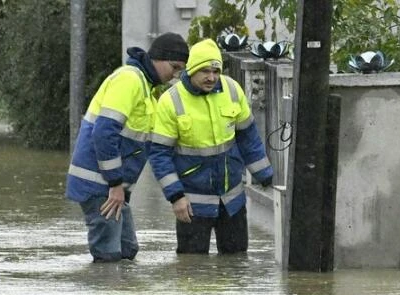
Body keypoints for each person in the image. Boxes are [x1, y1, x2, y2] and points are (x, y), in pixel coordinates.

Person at [66, 33, 189, 262]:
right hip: (101, 186)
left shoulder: (146, 89)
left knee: (127, 251)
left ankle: (120, 293)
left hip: (112, 188)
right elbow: (103, 132)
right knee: (109, 257)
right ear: (158, 58)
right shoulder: (129, 80)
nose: (175, 75)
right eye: (174, 67)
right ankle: (107, 293)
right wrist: (115, 184)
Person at [149, 38, 273, 255]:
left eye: (215, 71)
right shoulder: (171, 100)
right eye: (205, 71)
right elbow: (159, 155)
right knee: (193, 271)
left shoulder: (232, 90)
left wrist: (265, 175)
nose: (211, 77)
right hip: (191, 205)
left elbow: (248, 137)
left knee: (236, 265)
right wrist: (176, 197)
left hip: (232, 200)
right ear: (192, 70)